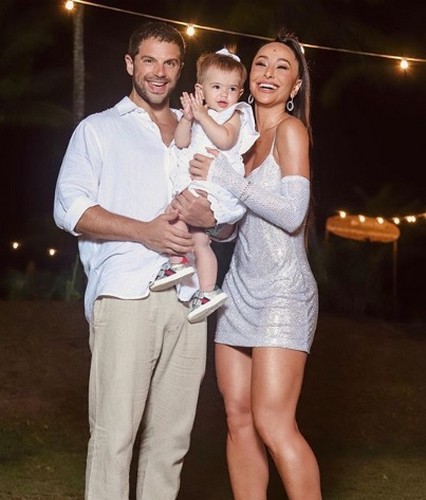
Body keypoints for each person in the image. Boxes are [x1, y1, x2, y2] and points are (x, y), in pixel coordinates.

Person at [53, 21, 215, 500]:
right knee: (114, 435)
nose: (159, 72)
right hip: (126, 295)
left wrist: (211, 219)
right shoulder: (98, 129)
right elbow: (70, 208)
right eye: (149, 60)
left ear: (181, 70)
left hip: (189, 299)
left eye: (170, 63)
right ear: (130, 64)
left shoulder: (199, 133)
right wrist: (144, 231)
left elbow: (223, 215)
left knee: (171, 442)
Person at [186, 29, 322, 499]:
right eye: (261, 63)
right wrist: (210, 221)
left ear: (295, 86)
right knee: (237, 417)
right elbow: (234, 227)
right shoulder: (240, 138)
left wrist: (226, 177)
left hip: (284, 291)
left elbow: (291, 214)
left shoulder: (290, 131)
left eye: (282, 67)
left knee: (273, 422)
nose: (269, 72)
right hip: (239, 288)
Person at [150, 48, 258, 324]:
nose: (224, 94)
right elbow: (181, 142)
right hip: (198, 180)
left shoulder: (234, 115)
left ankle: (176, 263)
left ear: (240, 93)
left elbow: (224, 140)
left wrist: (202, 115)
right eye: (217, 87)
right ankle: (208, 291)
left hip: (215, 185)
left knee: (174, 213)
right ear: (201, 89)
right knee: (200, 240)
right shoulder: (199, 115)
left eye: (232, 89)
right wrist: (188, 118)